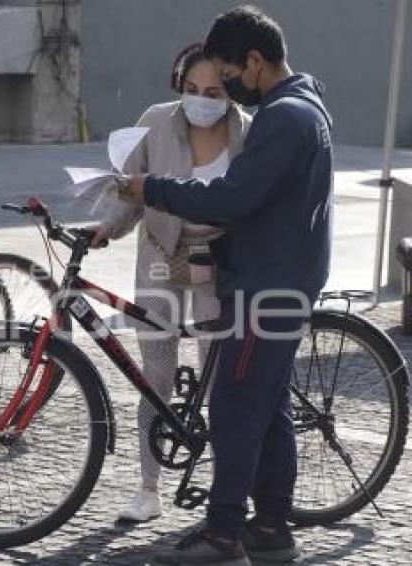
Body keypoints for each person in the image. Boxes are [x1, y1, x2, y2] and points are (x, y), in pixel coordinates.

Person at [119, 6, 333, 565]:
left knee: (236, 410)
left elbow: (231, 198)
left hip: (266, 290)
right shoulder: (305, 105)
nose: (227, 89)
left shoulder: (284, 118)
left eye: (228, 75)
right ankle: (272, 527)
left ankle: (223, 533)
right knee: (270, 409)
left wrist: (153, 189)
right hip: (282, 282)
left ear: (254, 62)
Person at [92, 43, 251, 523]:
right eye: (191, 90)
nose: (201, 99)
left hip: (219, 266)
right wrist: (107, 226)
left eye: (213, 91)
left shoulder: (251, 133)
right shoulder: (157, 121)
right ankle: (148, 488)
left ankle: (226, 495)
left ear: (231, 92)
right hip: (160, 256)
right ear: (178, 87)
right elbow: (131, 188)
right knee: (155, 376)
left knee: (219, 381)